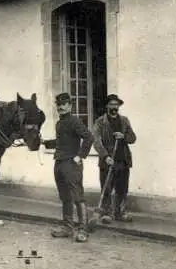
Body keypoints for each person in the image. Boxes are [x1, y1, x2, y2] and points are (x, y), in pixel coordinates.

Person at [42, 93, 94, 242]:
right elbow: (61, 142)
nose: (61, 107)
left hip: (71, 164)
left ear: (70, 105)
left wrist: (81, 155)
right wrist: (44, 142)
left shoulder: (74, 121)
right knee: (65, 197)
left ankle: (83, 229)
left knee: (77, 196)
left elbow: (89, 137)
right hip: (59, 162)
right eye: (58, 104)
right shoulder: (60, 123)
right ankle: (68, 227)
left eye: (64, 104)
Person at [92, 94, 137, 223]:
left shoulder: (124, 120)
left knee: (122, 188)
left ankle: (120, 213)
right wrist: (105, 156)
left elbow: (133, 138)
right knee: (107, 188)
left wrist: (123, 136)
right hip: (108, 161)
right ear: (107, 106)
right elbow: (96, 141)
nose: (114, 107)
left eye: (116, 105)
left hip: (123, 159)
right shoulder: (100, 122)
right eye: (111, 104)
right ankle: (107, 213)